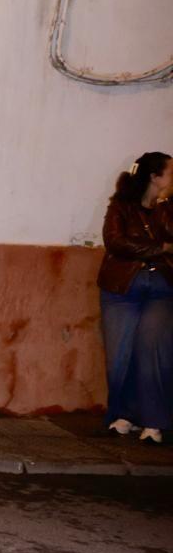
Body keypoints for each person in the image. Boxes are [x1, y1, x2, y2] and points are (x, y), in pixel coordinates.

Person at [97, 151, 173, 444]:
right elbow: (115, 242)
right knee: (121, 354)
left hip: (161, 288)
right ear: (154, 177)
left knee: (153, 351)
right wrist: (160, 249)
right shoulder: (120, 207)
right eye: (170, 173)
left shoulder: (167, 208)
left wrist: (164, 206)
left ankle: (154, 422)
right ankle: (123, 415)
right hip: (122, 288)